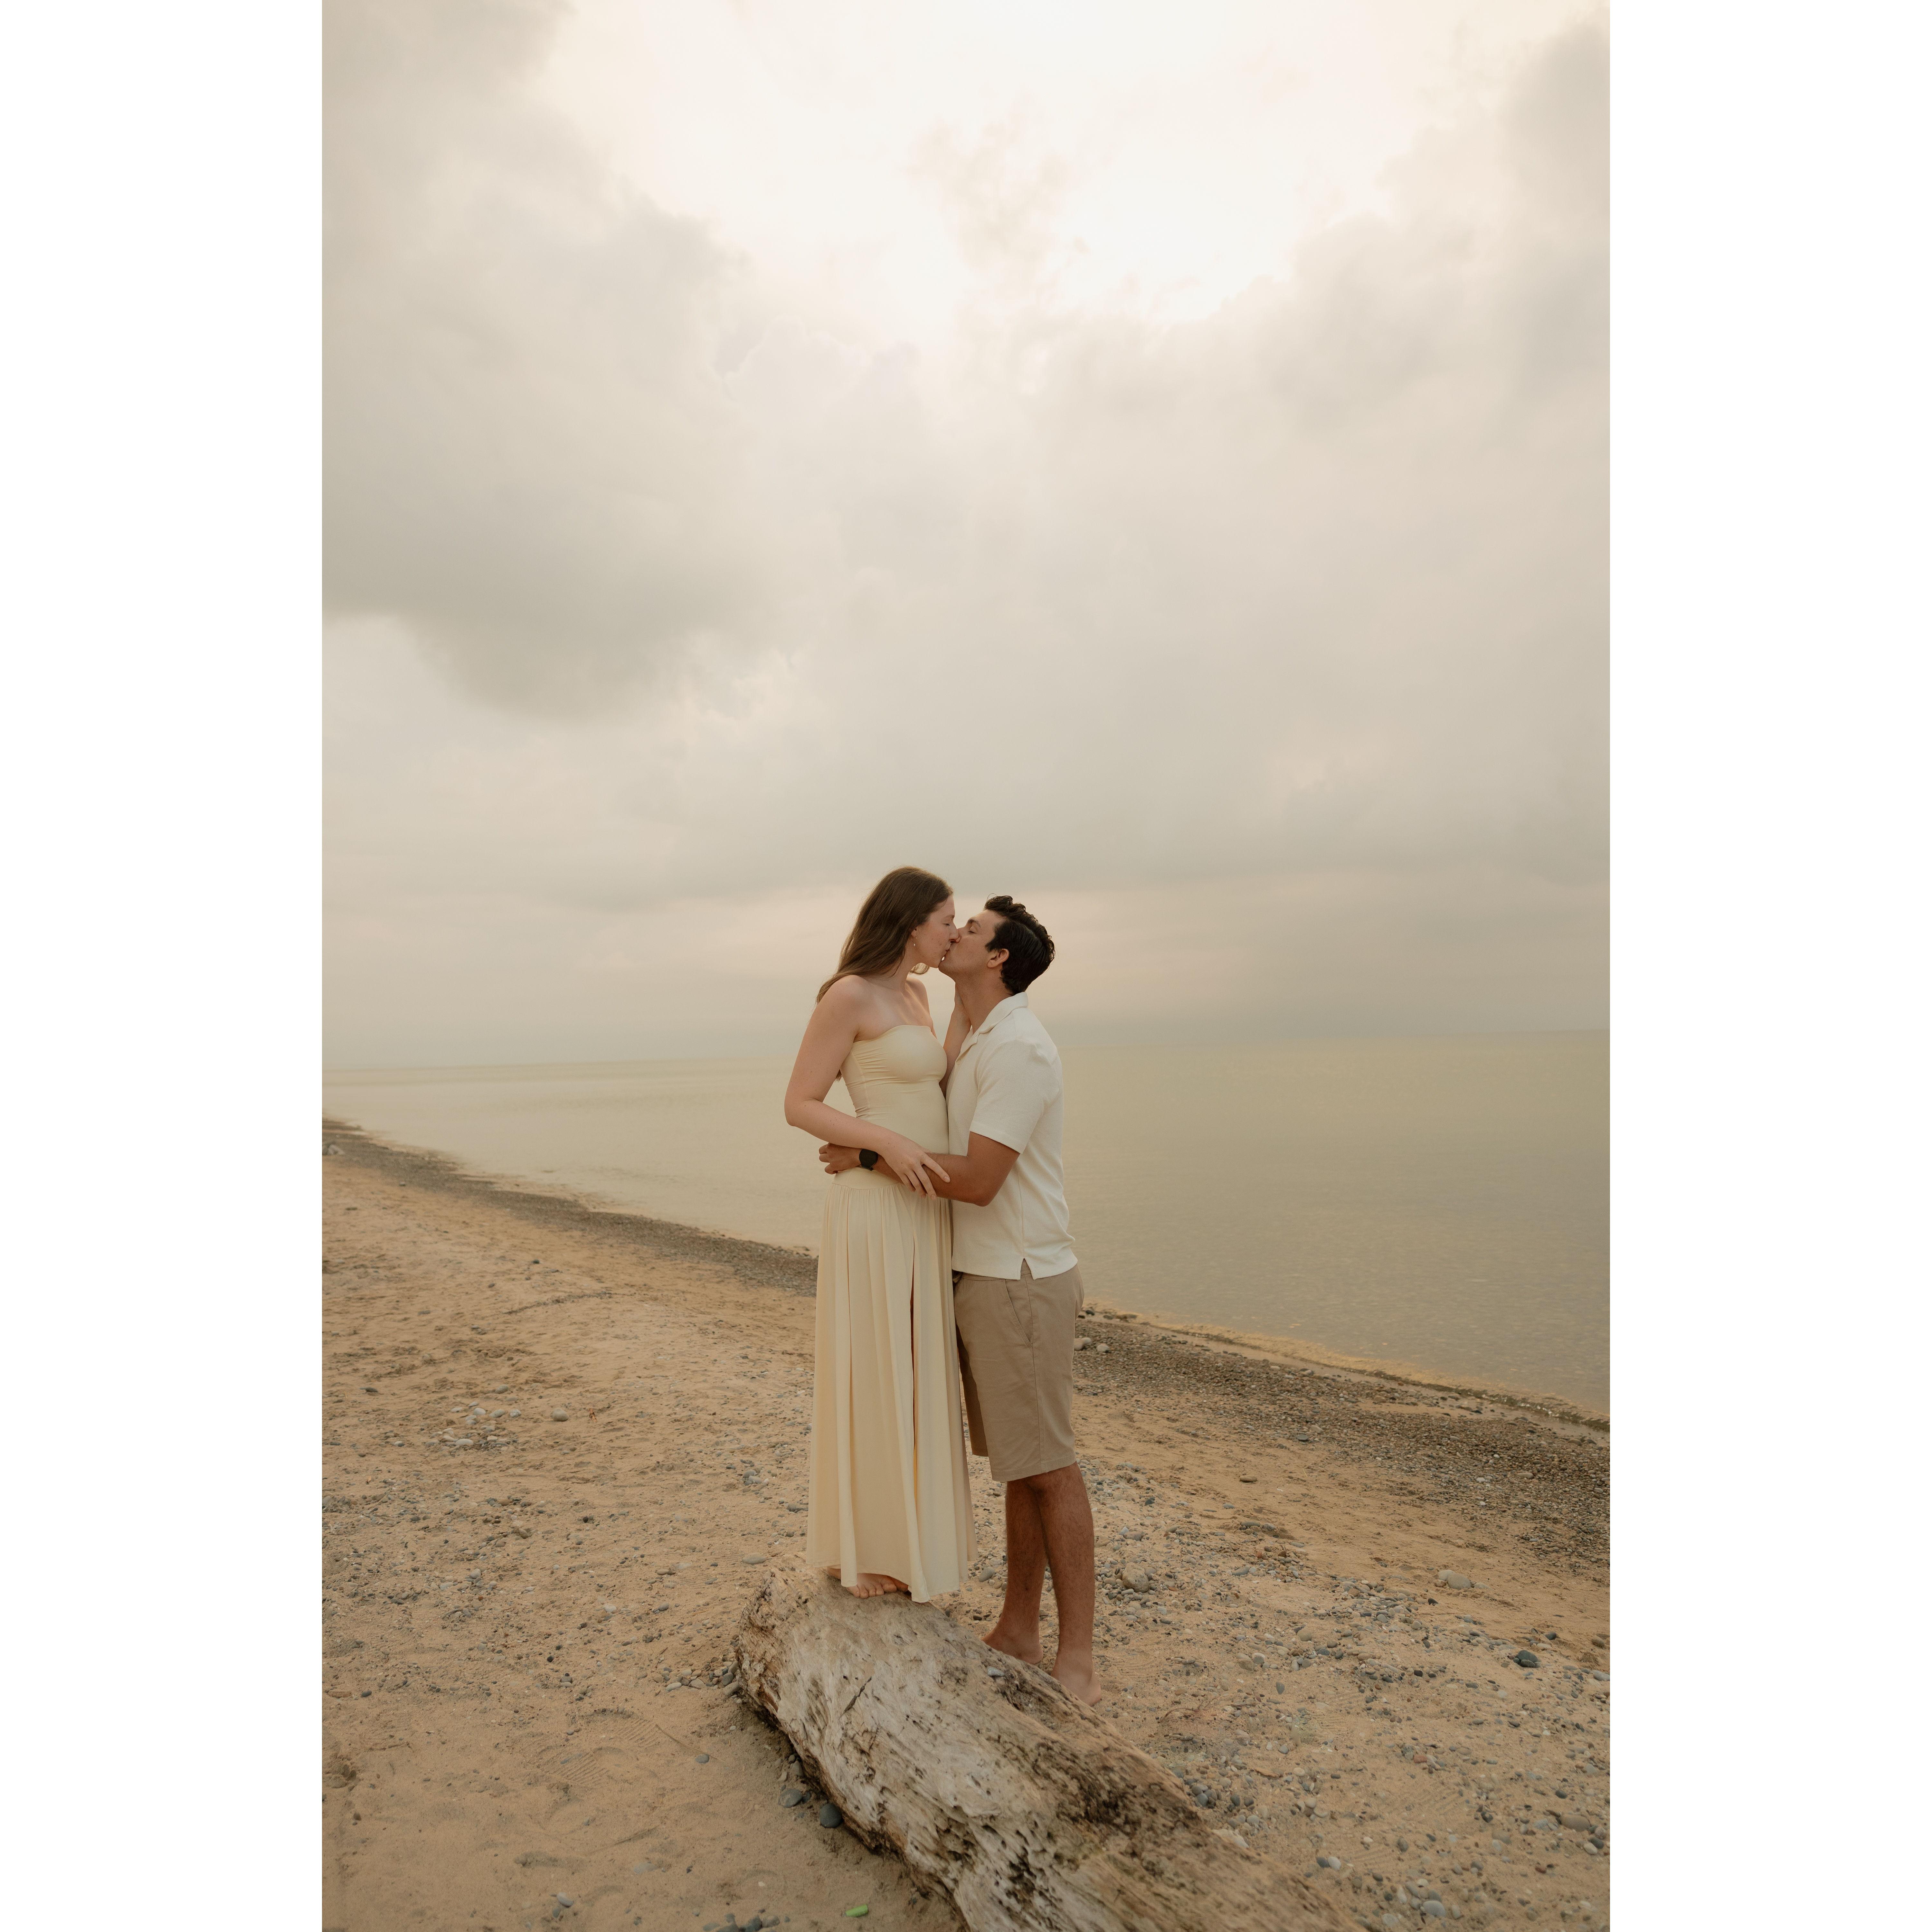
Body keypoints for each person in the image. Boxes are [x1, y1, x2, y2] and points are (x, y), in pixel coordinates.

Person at [819, 896, 1097, 1703]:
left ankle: (1079, 1660)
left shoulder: (1019, 1049)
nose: (955, 933)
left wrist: (868, 1159)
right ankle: (1018, 1627)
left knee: (1050, 1466)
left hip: (1020, 1277)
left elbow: (978, 1181)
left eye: (971, 930)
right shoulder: (971, 1035)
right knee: (1020, 1464)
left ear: (999, 957)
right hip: (979, 1274)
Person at [783, 867, 976, 1601]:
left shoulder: (921, 997)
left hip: (925, 1206)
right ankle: (862, 1550)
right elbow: (801, 1102)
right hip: (873, 1205)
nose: (953, 931)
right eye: (946, 919)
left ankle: (908, 1544)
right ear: (910, 921)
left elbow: (937, 1088)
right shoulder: (849, 995)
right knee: (877, 1364)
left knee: (917, 1366)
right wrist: (882, 1145)